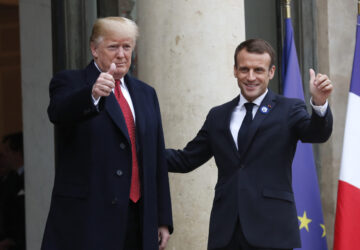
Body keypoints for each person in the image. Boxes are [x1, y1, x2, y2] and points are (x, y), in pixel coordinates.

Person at [166, 39, 333, 250]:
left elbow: (317, 134)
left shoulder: (289, 109)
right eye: (244, 69)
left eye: (258, 70)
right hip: (227, 232)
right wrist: (140, 150)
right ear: (235, 70)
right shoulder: (218, 115)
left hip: (272, 231)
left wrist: (319, 103)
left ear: (271, 72)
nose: (251, 77)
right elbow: (186, 159)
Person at [41, 17, 173, 250]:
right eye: (113, 47)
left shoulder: (146, 93)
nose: (121, 54)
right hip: (88, 219)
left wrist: (162, 218)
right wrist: (92, 94)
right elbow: (58, 112)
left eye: (127, 47)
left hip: (138, 218)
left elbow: (155, 158)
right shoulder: (71, 82)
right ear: (94, 49)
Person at [0, 132, 25, 250]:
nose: (4, 155)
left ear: (18, 153)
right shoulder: (10, 179)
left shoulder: (27, 179)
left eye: (7, 150)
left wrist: (14, 240)